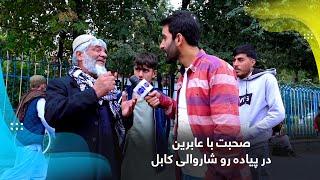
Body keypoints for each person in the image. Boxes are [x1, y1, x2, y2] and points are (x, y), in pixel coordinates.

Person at [145, 10, 249, 180]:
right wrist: (165, 103)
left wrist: (217, 173)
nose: (161, 46)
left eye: (164, 38)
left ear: (178, 39)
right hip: (187, 170)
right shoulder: (184, 75)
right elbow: (189, 115)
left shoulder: (216, 68)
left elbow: (227, 132)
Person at [45, 34, 123, 180]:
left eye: (105, 51)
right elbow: (52, 115)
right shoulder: (61, 84)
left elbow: (115, 130)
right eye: (97, 50)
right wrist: (94, 92)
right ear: (80, 55)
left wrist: (125, 114)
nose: (104, 55)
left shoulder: (109, 92)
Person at [232, 44, 285, 179]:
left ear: (252, 62)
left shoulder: (267, 79)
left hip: (257, 145)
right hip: (234, 146)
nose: (235, 64)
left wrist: (250, 132)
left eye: (240, 60)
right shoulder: (232, 82)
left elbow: (278, 113)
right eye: (234, 60)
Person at [120, 52, 173, 180]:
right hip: (129, 158)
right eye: (137, 69)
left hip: (153, 160)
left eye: (145, 70)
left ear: (154, 73)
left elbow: (167, 131)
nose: (140, 75)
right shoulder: (123, 97)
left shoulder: (160, 99)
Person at [0, 75, 54, 179]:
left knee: (41, 173)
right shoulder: (40, 100)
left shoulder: (26, 97)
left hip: (22, 141)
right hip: (31, 144)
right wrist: (53, 132)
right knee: (17, 174)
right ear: (42, 85)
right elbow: (45, 118)